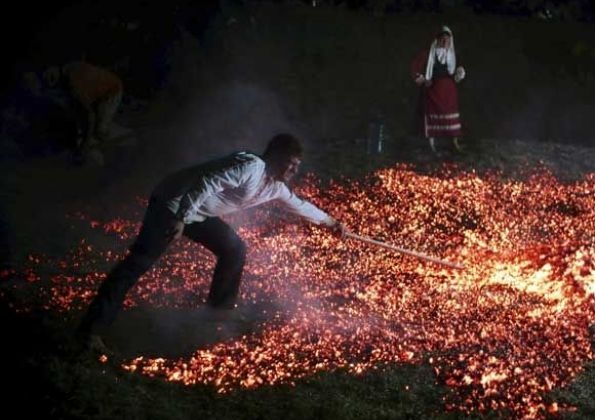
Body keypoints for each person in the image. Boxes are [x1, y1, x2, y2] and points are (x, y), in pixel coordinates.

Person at [75, 133, 346, 353]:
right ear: (275, 156)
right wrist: (180, 218)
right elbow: (206, 182)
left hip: (198, 214)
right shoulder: (250, 166)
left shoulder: (275, 186)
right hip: (174, 203)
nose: (294, 169)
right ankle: (91, 331)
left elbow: (300, 206)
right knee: (138, 263)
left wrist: (332, 223)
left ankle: (218, 311)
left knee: (234, 249)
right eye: (291, 163)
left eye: (297, 165)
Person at [44, 60, 125, 165]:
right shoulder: (67, 68)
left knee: (99, 131)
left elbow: (89, 115)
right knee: (84, 121)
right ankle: (93, 141)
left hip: (112, 91)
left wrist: (84, 145)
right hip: (99, 90)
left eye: (50, 77)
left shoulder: (75, 85)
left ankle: (115, 153)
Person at [410, 25, 467, 154]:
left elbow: (457, 72)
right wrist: (423, 79)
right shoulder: (429, 54)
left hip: (449, 92)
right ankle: (432, 145)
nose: (445, 42)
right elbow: (415, 66)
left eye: (447, 40)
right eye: (442, 39)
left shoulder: (453, 55)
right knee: (432, 117)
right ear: (438, 40)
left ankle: (455, 143)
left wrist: (459, 73)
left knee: (451, 117)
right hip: (434, 91)